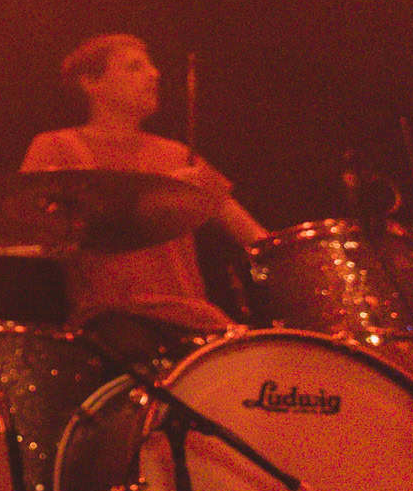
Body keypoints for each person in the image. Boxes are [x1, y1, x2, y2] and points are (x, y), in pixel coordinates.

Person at [20, 33, 266, 334]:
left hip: (196, 320)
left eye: (151, 66)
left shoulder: (178, 154)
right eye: (135, 67)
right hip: (112, 322)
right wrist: (155, 197)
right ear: (91, 83)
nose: (154, 74)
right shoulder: (57, 147)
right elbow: (32, 235)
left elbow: (254, 237)